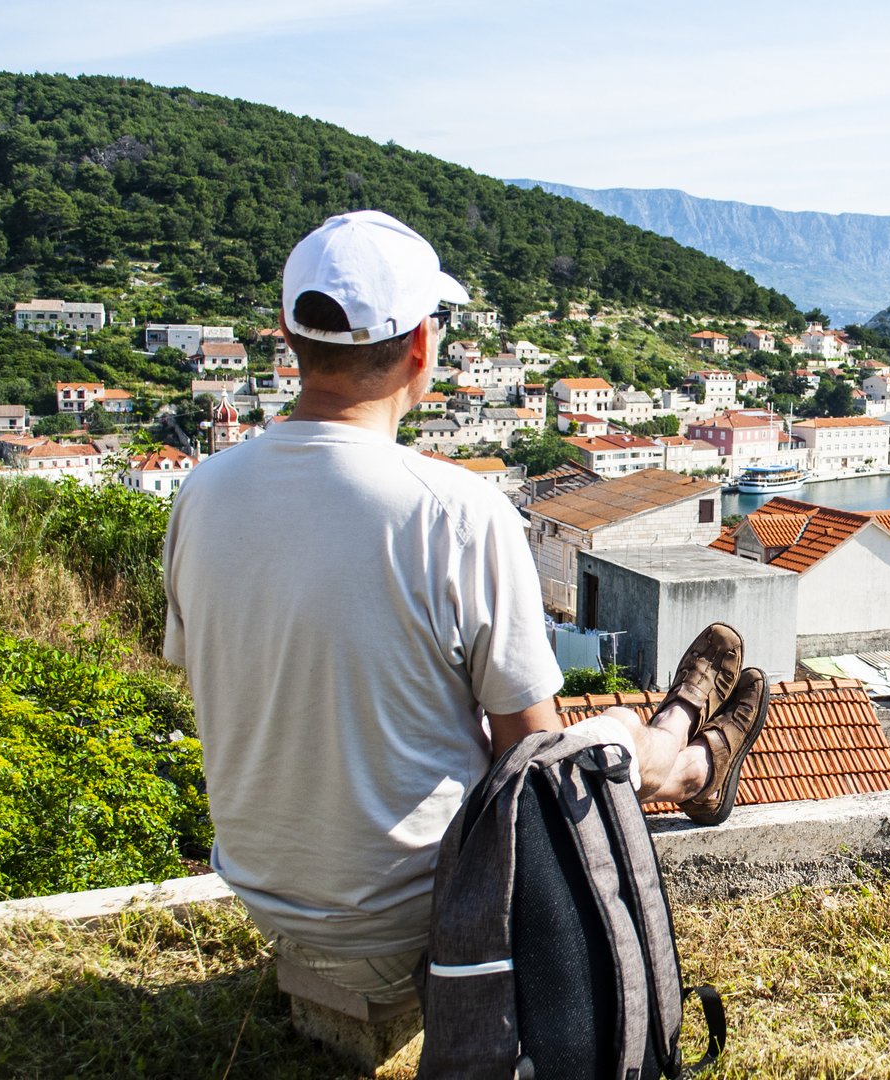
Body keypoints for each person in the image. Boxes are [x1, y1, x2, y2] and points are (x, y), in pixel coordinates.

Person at [163, 209, 768, 1003]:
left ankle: (684, 737)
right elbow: (533, 754)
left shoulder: (202, 493)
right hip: (425, 913)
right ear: (422, 345)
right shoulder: (454, 508)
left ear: (287, 332)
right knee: (607, 730)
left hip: (267, 896)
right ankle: (687, 759)